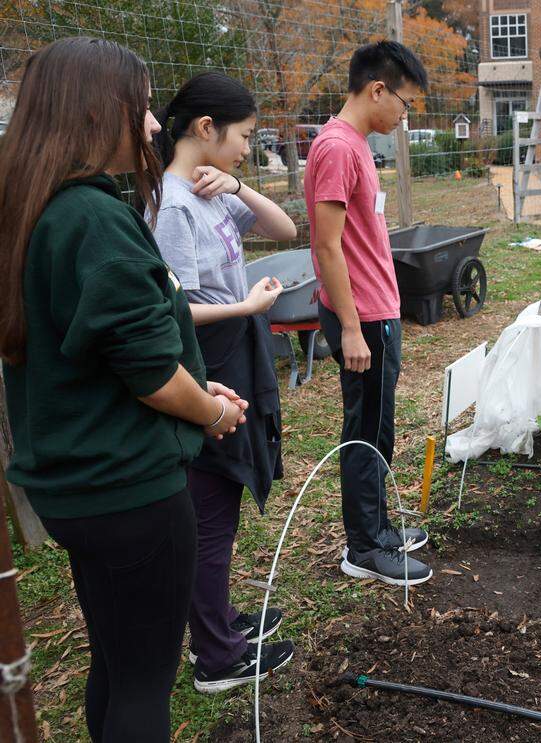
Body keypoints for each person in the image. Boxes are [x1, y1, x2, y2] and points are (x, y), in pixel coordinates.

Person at [0, 37, 247, 740]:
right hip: (129, 489)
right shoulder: (95, 220)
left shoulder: (36, 209)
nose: (150, 126)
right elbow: (150, 377)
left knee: (116, 662)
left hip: (78, 487)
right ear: (92, 111)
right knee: (145, 684)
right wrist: (211, 409)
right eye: (138, 107)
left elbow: (106, 350)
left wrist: (193, 381)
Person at [152, 71, 297, 693]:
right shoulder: (171, 206)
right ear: (206, 129)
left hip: (235, 355)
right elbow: (171, 308)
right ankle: (215, 654)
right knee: (210, 513)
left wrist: (236, 183)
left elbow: (286, 230)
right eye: (242, 137)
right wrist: (244, 309)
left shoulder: (209, 192)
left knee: (222, 509)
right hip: (207, 366)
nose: (246, 147)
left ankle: (223, 622)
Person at [305, 40, 433, 584]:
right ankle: (365, 547)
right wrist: (353, 328)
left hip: (376, 312)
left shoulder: (353, 146)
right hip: (364, 320)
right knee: (364, 430)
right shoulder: (337, 148)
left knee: (378, 427)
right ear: (377, 89)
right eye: (405, 104)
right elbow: (328, 246)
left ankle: (378, 526)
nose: (405, 117)